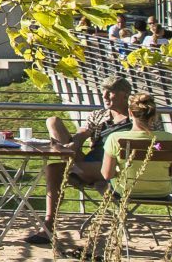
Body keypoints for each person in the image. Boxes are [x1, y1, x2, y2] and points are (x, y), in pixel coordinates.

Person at [28, 77, 132, 246]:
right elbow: (83, 132)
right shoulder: (99, 115)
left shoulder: (136, 117)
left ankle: (71, 169)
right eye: (103, 91)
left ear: (124, 95)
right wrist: (73, 144)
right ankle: (49, 223)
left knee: (57, 169)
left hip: (117, 169)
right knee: (53, 124)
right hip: (91, 164)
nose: (104, 96)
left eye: (110, 92)